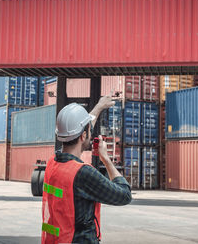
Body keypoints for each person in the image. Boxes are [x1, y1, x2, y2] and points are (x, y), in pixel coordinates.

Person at [41, 95, 132, 244]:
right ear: (83, 135)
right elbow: (125, 195)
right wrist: (106, 160)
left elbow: (77, 131)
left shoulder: (53, 163)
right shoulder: (82, 173)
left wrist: (99, 106)